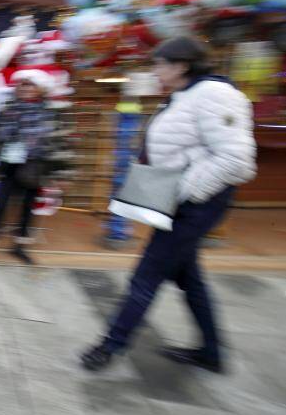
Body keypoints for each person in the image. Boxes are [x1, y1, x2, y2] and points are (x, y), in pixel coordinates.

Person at [80, 36, 257, 373]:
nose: (155, 71)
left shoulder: (214, 95)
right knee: (189, 278)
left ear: (181, 65)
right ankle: (211, 353)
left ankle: (110, 346)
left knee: (146, 276)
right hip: (186, 202)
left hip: (197, 204)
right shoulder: (187, 95)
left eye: (159, 64)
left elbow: (237, 160)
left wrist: (183, 192)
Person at [0, 69, 70, 266]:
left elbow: (60, 143)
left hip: (35, 167)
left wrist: (62, 172)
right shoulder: (8, 109)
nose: (24, 88)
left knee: (28, 208)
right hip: (9, 165)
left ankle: (20, 246)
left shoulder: (50, 114)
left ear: (41, 88)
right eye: (22, 84)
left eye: (30, 84)